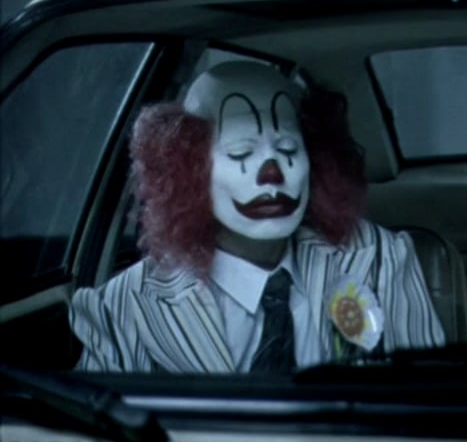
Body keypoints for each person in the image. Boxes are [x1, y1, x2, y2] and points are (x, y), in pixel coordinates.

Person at [70, 60, 445, 373]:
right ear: (189, 172)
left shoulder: (381, 258)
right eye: (240, 153)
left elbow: (429, 402)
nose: (272, 173)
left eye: (288, 148)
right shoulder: (125, 307)